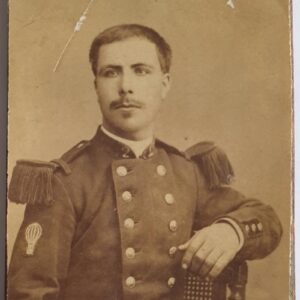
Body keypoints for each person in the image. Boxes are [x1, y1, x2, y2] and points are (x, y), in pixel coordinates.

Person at [7, 24, 282, 300]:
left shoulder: (185, 173)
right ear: (96, 87)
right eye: (111, 72)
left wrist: (230, 231)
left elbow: (266, 219)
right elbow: (29, 292)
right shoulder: (65, 183)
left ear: (164, 85)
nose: (125, 87)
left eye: (141, 71)